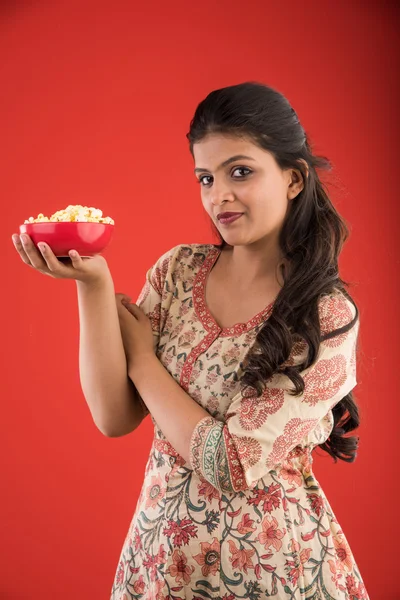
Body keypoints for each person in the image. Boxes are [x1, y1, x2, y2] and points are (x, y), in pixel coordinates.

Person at [11, 82, 369, 600]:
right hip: (159, 567)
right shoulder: (179, 272)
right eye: (206, 177)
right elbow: (115, 418)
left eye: (240, 172)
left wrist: (140, 357)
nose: (218, 195)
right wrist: (94, 285)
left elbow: (232, 461)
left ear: (293, 179)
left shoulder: (326, 314)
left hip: (272, 575)